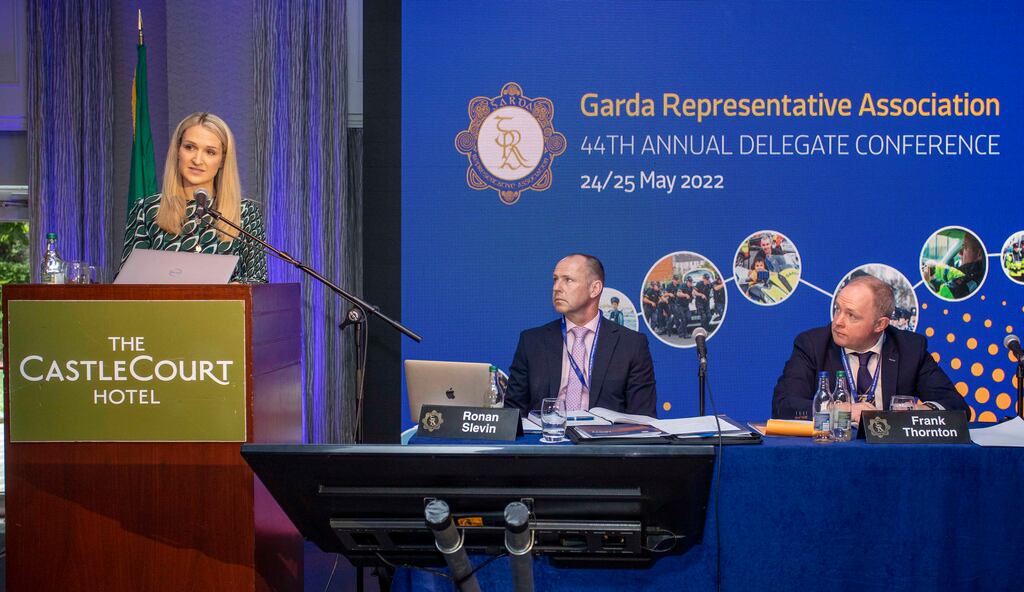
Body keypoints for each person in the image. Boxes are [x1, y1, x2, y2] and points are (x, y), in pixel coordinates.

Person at [772, 275, 967, 422]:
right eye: (838, 309)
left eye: (851, 316)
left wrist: (920, 413)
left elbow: (958, 407)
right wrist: (844, 410)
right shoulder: (812, 345)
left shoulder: (910, 349)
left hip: (893, 458)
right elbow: (784, 406)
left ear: (880, 325)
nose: (837, 322)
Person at [120, 112, 268, 283]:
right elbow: (125, 284)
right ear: (177, 151)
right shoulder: (147, 209)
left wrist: (235, 288)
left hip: (221, 310)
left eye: (210, 152)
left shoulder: (244, 212)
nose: (197, 160)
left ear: (222, 160)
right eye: (190, 147)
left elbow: (258, 280)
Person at [505, 254, 657, 416]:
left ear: (595, 289)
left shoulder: (631, 345)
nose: (556, 287)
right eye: (555, 279)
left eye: (568, 280)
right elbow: (512, 414)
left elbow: (643, 418)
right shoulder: (532, 342)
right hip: (545, 437)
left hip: (604, 439)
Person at [922, 233, 985, 299]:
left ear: (979, 254)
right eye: (962, 246)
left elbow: (932, 301)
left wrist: (926, 282)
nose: (959, 253)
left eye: (965, 247)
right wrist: (934, 266)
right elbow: (953, 274)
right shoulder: (974, 274)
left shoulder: (960, 287)